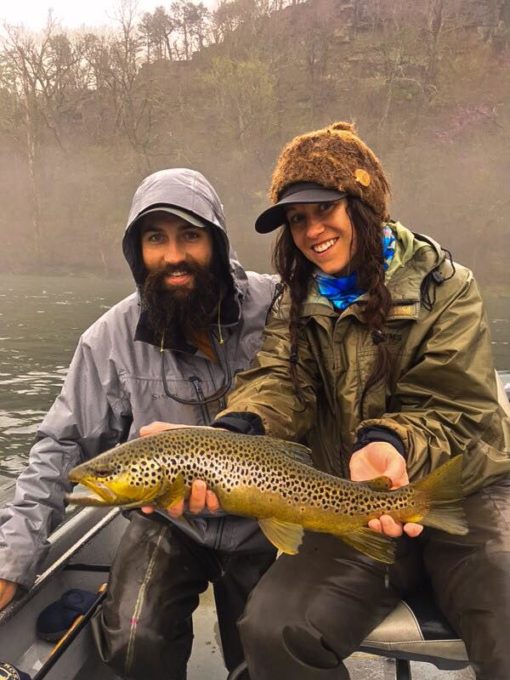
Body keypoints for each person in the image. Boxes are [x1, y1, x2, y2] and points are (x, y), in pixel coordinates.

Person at [153, 123, 510, 679]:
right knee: (273, 629)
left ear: (364, 205)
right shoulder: (295, 301)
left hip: (463, 488)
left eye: (325, 209)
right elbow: (279, 379)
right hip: (350, 502)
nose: (312, 230)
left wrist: (391, 443)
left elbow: (460, 412)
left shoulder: (448, 288)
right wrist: (238, 432)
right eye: (298, 219)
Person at [0, 168, 278, 679]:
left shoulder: (280, 308)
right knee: (132, 638)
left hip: (266, 519)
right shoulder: (108, 338)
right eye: (156, 239)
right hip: (167, 519)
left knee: (269, 647)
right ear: (137, 252)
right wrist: (12, 559)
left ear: (217, 240)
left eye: (190, 235)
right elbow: (59, 448)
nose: (173, 255)